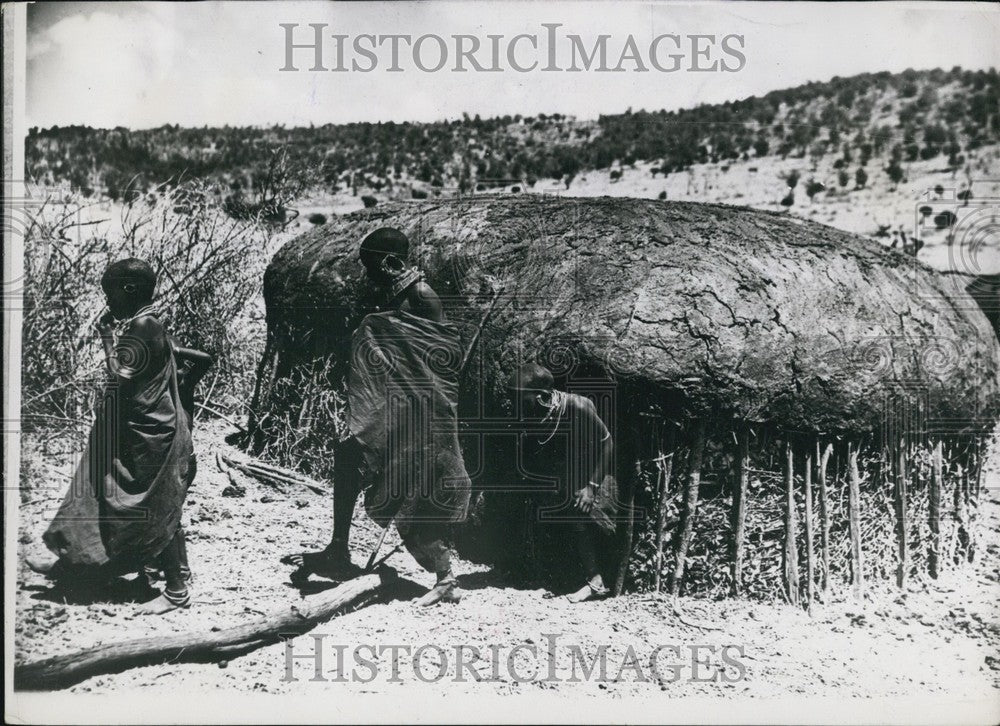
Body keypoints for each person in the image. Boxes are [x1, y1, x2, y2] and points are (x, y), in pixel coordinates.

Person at [282, 227, 471, 606]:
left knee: (414, 490)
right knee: (347, 456)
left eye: (372, 267)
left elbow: (442, 358)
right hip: (393, 409)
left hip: (422, 415)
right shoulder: (393, 293)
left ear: (390, 262)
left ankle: (446, 578)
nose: (368, 275)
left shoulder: (421, 295)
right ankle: (338, 548)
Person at [26, 258, 196, 615]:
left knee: (155, 506)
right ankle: (77, 562)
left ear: (130, 290)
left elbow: (119, 375)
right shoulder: (150, 324)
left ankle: (177, 589)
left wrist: (105, 336)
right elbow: (189, 359)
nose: (108, 300)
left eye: (111, 292)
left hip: (151, 433)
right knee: (104, 492)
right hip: (140, 427)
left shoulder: (144, 325)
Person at [508, 362, 618, 603]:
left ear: (542, 395)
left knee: (580, 518)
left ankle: (596, 582)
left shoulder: (577, 406)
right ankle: (558, 580)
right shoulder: (535, 409)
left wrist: (592, 487)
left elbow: (608, 443)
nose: (516, 403)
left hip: (593, 474)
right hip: (564, 474)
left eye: (522, 397)